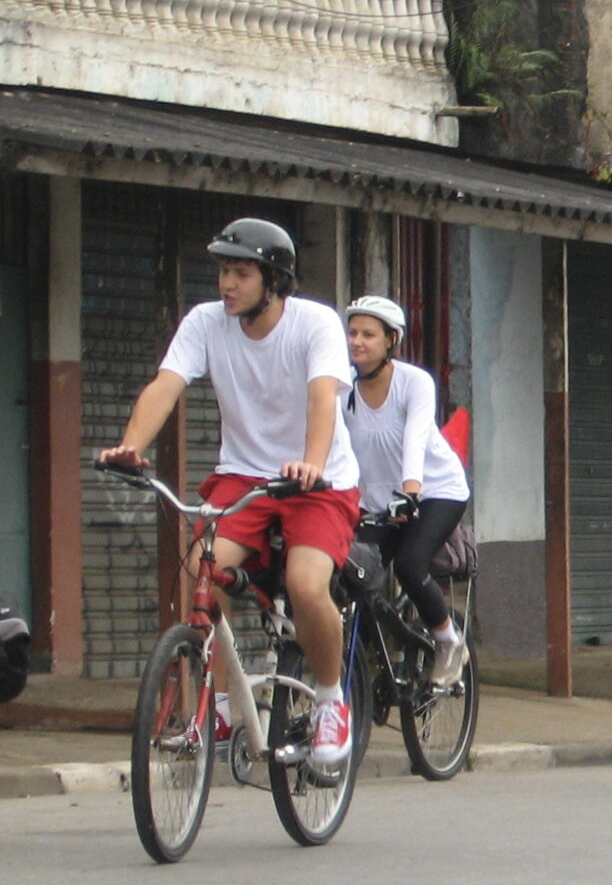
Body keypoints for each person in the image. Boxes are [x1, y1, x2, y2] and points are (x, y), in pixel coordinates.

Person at [97, 218, 362, 778]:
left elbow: (322, 399)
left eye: (241, 272)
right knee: (200, 573)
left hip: (318, 481)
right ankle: (216, 705)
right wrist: (129, 446)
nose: (226, 283)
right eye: (222, 271)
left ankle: (331, 700)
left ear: (273, 280)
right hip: (242, 476)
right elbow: (165, 385)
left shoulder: (314, 324)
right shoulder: (205, 324)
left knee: (306, 584)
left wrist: (311, 462)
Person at [341, 295, 471, 688]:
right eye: (351, 332)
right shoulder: (341, 386)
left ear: (391, 340)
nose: (356, 341)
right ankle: (368, 661)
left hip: (434, 490)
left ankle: (449, 641)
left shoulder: (414, 382)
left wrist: (410, 492)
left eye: (368, 334)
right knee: (347, 570)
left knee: (411, 564)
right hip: (376, 500)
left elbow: (414, 440)